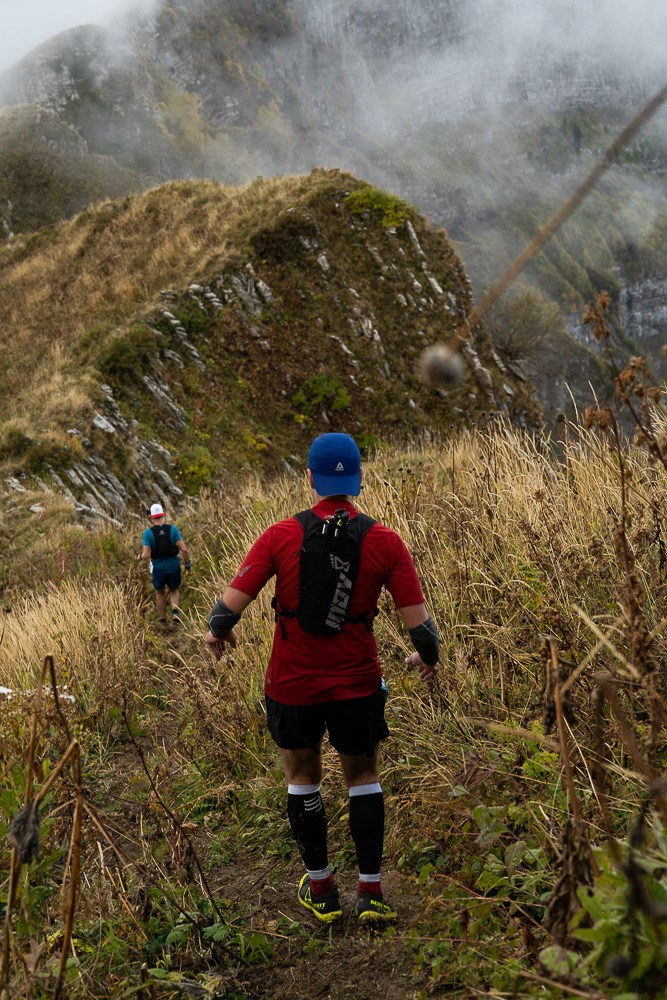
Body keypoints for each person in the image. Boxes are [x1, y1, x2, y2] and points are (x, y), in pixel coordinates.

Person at [204, 433, 439, 925]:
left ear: (310, 478)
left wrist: (219, 637)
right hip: (357, 685)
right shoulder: (386, 541)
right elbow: (422, 629)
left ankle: (323, 890)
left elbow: (225, 611)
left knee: (302, 779)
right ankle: (372, 894)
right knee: (364, 779)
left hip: (292, 686)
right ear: (357, 480)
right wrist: (426, 659)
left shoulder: (278, 536)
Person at [140, 503, 191, 627]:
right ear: (163, 515)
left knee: (159, 593)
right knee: (174, 590)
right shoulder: (172, 529)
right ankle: (175, 614)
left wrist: (139, 557)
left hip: (158, 568)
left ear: (152, 517)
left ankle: (163, 623)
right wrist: (187, 563)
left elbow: (145, 555)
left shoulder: (148, 533)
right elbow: (184, 549)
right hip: (174, 565)